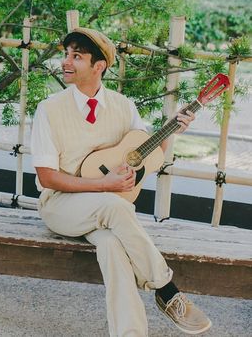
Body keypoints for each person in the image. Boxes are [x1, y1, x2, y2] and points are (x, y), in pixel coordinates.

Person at [30, 28, 212, 337]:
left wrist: (172, 132)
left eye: (77, 56)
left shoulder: (124, 107)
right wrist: (104, 186)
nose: (66, 62)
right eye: (66, 54)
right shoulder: (49, 109)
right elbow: (47, 177)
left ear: (99, 66)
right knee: (115, 205)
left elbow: (144, 156)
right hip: (60, 206)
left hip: (107, 211)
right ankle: (167, 290)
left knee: (113, 248)